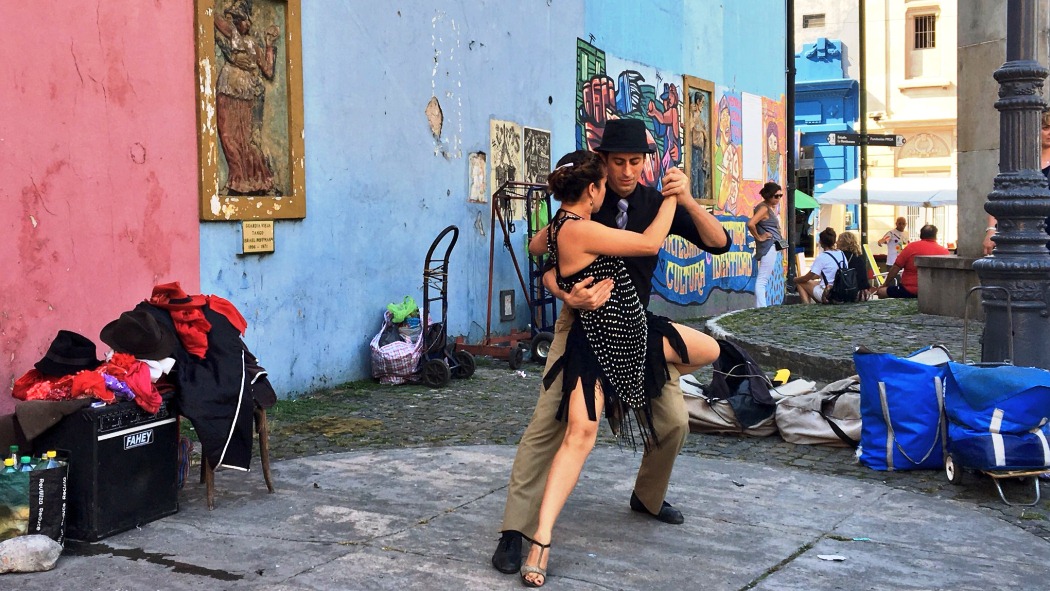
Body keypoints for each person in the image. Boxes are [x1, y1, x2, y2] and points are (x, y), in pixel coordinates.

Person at [492, 119, 731, 579]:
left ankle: (647, 497)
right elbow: (542, 253)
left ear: (646, 162)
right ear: (602, 163)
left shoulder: (653, 202)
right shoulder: (586, 195)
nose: (625, 171)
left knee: (675, 423)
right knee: (548, 424)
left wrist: (685, 199)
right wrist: (566, 294)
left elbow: (719, 242)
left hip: (635, 326)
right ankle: (514, 531)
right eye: (617, 162)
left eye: (634, 162)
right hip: (580, 325)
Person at [214, 0, 281, 196]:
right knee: (227, 137)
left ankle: (251, 182)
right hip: (227, 90)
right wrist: (228, 13)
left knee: (247, 141)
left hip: (247, 94)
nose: (246, 24)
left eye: (246, 20)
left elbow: (268, 71)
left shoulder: (252, 43)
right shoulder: (231, 34)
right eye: (241, 19)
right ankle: (237, 179)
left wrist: (269, 45)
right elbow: (213, 18)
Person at [985, 108, 1050, 254]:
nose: (1049, 133)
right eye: (1045, 128)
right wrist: (991, 230)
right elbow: (1000, 195)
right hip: (1024, 231)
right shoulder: (1021, 161)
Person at [875, 224, 949, 299]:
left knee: (881, 292)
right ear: (935, 236)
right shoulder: (944, 251)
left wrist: (885, 284)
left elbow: (896, 267)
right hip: (933, 291)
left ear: (921, 235)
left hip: (908, 291)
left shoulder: (911, 247)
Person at [747, 182, 784, 307]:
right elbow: (750, 224)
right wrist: (759, 237)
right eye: (776, 196)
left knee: (764, 278)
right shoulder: (764, 208)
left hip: (772, 245)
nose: (778, 198)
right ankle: (761, 307)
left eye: (780, 196)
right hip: (769, 245)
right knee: (762, 279)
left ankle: (762, 306)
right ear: (768, 196)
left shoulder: (769, 207)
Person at [792, 227, 837, 304]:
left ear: (821, 242)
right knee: (811, 282)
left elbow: (806, 278)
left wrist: (795, 279)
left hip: (827, 293)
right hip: (839, 290)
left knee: (800, 282)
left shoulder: (822, 257)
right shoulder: (841, 254)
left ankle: (806, 305)